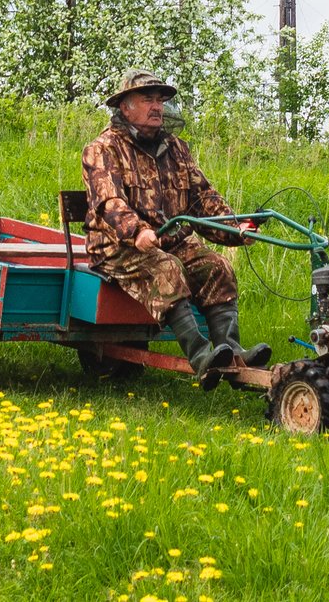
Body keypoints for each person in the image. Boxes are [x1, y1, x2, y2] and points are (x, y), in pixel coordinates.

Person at [81, 69, 271, 379]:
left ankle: (232, 352)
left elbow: (203, 201)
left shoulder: (177, 149)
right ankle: (201, 356)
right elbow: (109, 203)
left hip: (173, 243)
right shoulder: (103, 149)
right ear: (125, 107)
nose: (157, 107)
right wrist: (137, 231)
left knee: (218, 267)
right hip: (118, 249)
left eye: (160, 100)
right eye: (147, 100)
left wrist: (237, 228)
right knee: (166, 268)